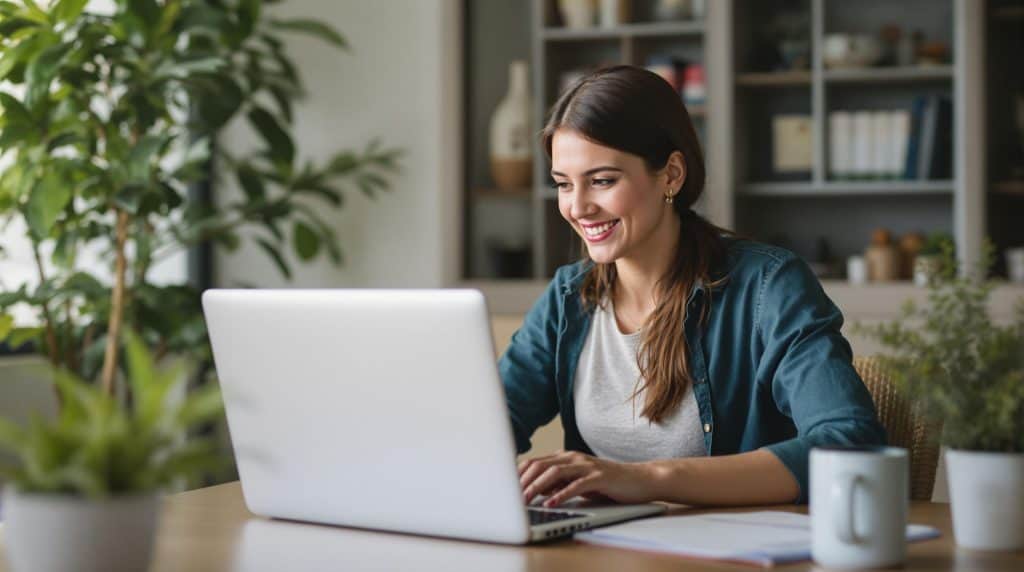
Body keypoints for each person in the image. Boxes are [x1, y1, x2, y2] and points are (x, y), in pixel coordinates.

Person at [503, 65, 885, 509]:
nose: (578, 207)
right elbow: (489, 425)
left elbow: (850, 443)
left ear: (671, 175)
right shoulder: (569, 297)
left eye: (603, 180)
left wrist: (650, 478)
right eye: (563, 185)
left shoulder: (768, 287)